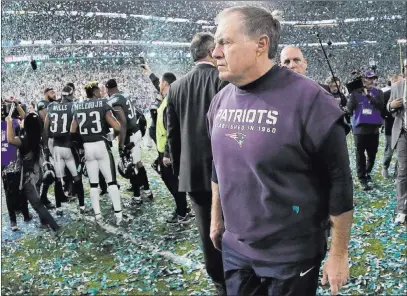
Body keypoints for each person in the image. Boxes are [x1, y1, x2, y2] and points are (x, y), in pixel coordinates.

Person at [207, 6, 353, 296]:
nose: (215, 52)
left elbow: (340, 181)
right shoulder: (219, 102)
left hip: (291, 254)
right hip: (236, 248)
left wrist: (338, 254)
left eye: (225, 42)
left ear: (261, 44)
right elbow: (218, 164)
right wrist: (216, 217)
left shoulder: (312, 101)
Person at [166, 32, 227, 294]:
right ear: (212, 50)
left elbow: (172, 134)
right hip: (224, 172)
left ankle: (219, 282)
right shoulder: (224, 79)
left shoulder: (176, 87)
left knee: (208, 233)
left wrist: (181, 172)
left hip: (192, 174)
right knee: (233, 227)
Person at [70, 81, 123, 225]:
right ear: (93, 92)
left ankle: (98, 215)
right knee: (111, 181)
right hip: (101, 144)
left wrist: (81, 143)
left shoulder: (78, 106)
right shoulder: (102, 103)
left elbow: (72, 130)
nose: (101, 92)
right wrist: (113, 135)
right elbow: (116, 125)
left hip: (88, 147)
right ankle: (119, 215)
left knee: (93, 184)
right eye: (98, 90)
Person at [6, 112, 61, 233]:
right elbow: (31, 119)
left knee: (36, 204)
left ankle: (55, 227)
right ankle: (43, 221)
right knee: (37, 197)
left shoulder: (24, 140)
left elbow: (10, 139)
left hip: (28, 177)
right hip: (38, 173)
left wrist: (9, 122)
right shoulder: (38, 137)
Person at [105, 78, 153, 205]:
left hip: (129, 135)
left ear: (108, 89)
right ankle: (147, 190)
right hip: (136, 131)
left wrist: (121, 144)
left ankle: (137, 196)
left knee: (131, 166)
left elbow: (123, 123)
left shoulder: (114, 100)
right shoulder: (124, 94)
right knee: (138, 163)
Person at [44, 85, 86, 216]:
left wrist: (46, 147)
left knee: (58, 178)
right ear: (69, 95)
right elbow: (77, 126)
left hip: (56, 147)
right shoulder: (73, 106)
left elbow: (46, 128)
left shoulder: (51, 107)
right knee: (76, 177)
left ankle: (58, 207)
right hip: (68, 147)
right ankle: (82, 206)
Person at [347, 71, 384, 191]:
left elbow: (380, 105)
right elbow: (349, 109)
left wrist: (369, 96)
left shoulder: (378, 92)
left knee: (372, 155)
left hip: (373, 129)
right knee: (360, 155)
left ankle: (367, 172)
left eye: (374, 78)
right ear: (364, 80)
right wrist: (351, 95)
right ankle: (362, 178)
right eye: (369, 78)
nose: (372, 80)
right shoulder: (356, 93)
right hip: (360, 129)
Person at [387, 59, 407, 224]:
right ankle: (402, 209)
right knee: (402, 171)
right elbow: (388, 107)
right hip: (402, 133)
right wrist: (392, 105)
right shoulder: (397, 87)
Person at [37, 87, 57, 209]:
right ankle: (42, 197)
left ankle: (59, 195)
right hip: (47, 140)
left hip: (54, 139)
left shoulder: (51, 103)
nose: (54, 94)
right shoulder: (42, 104)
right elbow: (46, 121)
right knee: (48, 170)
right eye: (52, 92)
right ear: (46, 93)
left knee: (56, 168)